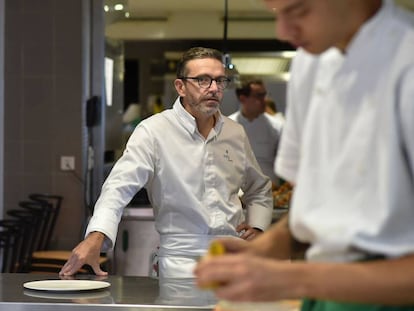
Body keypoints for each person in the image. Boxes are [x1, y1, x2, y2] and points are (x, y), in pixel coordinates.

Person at [195, 0, 414, 309]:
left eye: (299, 10)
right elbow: (317, 207)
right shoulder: (310, 62)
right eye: (276, 12)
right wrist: (261, 249)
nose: (283, 31)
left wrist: (291, 278)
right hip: (323, 295)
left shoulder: (406, 61)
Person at [59, 47, 273, 278]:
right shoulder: (153, 131)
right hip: (181, 262)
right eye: (203, 80)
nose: (214, 88)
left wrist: (259, 226)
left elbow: (259, 188)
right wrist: (96, 235)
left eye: (220, 81)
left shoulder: (234, 132)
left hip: (235, 257)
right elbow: (118, 188)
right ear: (180, 86)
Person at [228, 78, 282, 187]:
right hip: (237, 192)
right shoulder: (227, 126)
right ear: (243, 98)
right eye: (259, 96)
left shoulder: (277, 127)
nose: (264, 100)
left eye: (264, 95)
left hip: (269, 191)